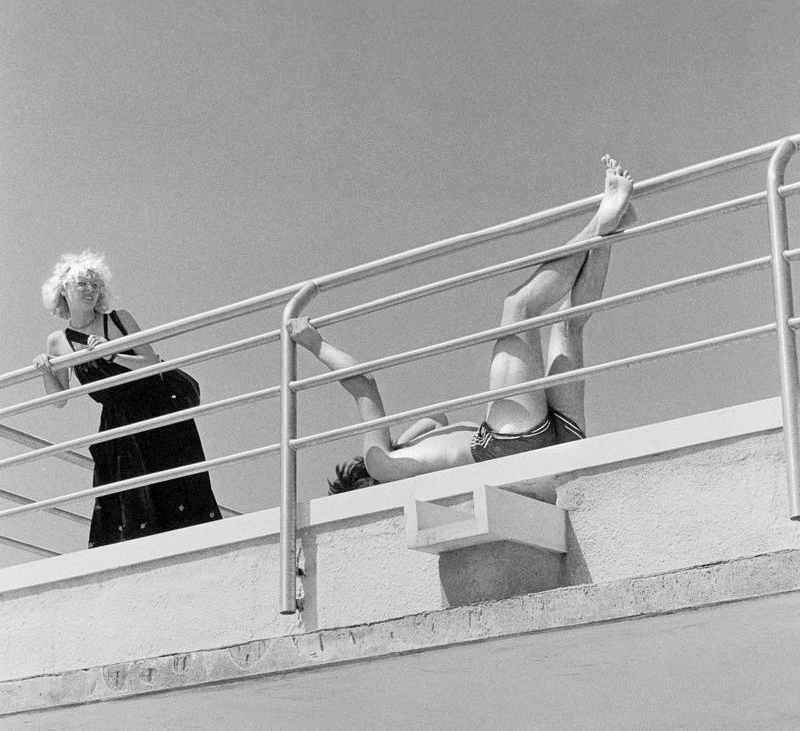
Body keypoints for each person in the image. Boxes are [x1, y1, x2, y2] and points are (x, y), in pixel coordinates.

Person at [288, 156, 635, 491]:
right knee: (518, 307)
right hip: (509, 444)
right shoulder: (381, 465)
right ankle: (600, 224)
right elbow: (364, 384)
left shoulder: (401, 463)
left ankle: (610, 230)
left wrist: (399, 442)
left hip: (543, 443)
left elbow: (437, 418)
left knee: (568, 325)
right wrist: (314, 344)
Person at [33, 252, 222, 547]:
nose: (90, 290)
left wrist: (112, 353)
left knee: (177, 487)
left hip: (155, 407)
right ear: (64, 290)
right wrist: (46, 369)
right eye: (82, 283)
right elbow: (60, 399)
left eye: (95, 285)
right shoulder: (57, 341)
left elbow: (150, 362)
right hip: (116, 420)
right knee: (124, 498)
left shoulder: (119, 319)